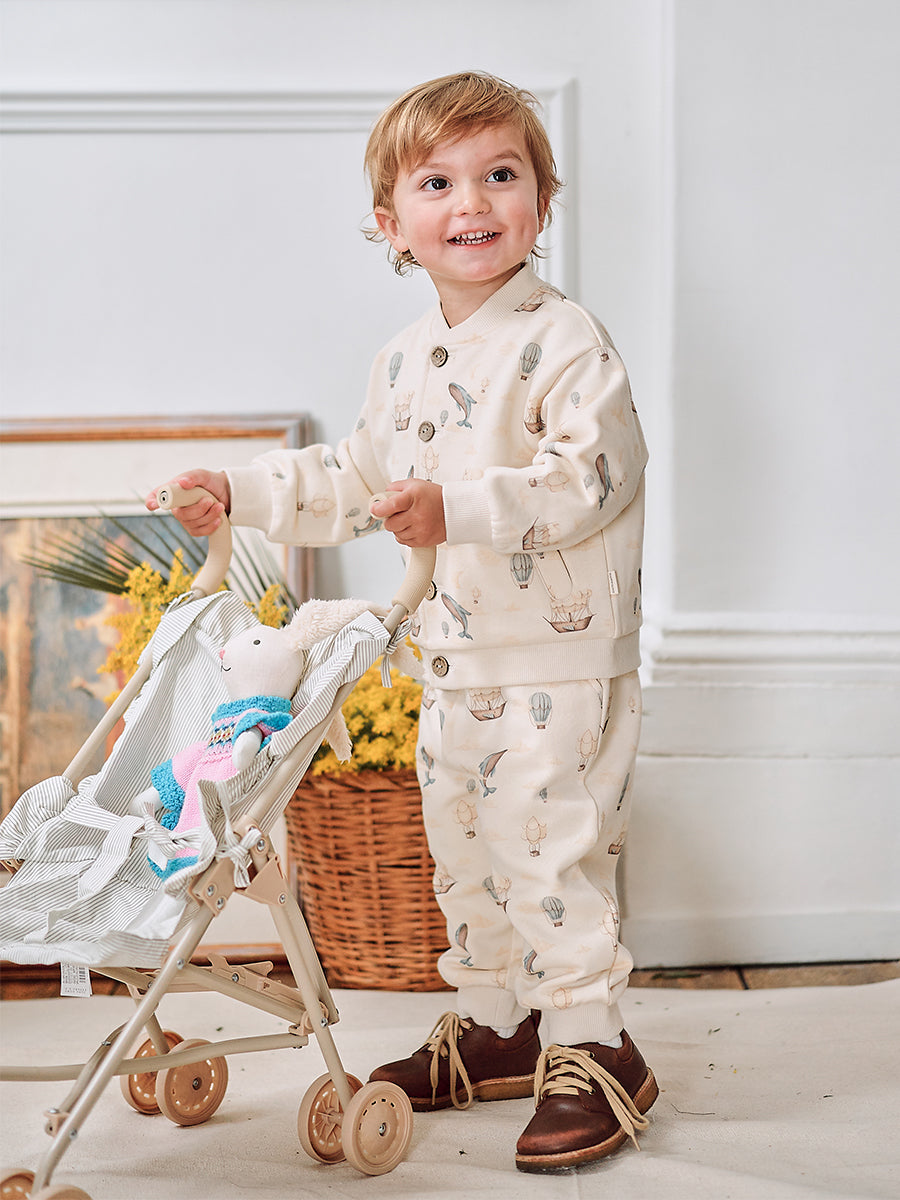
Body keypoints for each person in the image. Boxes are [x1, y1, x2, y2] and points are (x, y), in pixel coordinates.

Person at [146, 71, 655, 1173]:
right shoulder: (405, 358)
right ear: (391, 223)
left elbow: (592, 478)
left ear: (543, 200)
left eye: (501, 174)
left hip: (559, 660)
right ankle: (499, 1023)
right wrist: (239, 493)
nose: (472, 201)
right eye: (438, 182)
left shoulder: (567, 341)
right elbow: (354, 476)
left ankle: (594, 1042)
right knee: (466, 855)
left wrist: (455, 509)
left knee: (548, 854)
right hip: (453, 656)